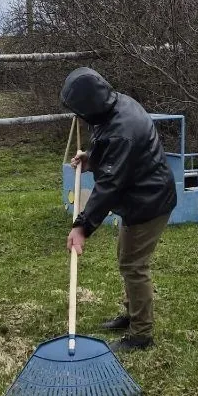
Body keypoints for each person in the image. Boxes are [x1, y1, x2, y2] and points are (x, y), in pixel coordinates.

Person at [61, 68, 177, 351]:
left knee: (134, 265)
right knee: (126, 258)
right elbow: (112, 152)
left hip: (149, 202)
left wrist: (82, 226)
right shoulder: (115, 105)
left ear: (91, 104)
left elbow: (110, 184)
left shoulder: (123, 129)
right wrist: (91, 159)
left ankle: (141, 334)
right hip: (139, 196)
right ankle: (132, 314)